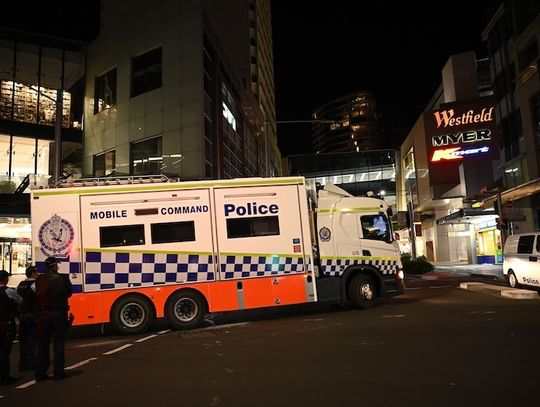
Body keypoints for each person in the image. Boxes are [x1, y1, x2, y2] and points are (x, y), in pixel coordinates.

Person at [35, 257, 72, 381]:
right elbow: (69, 293)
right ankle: (58, 372)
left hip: (44, 314)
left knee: (42, 344)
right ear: (55, 265)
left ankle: (40, 373)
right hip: (59, 312)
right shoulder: (62, 278)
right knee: (59, 343)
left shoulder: (39, 279)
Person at [0, 269, 22, 386]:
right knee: (4, 351)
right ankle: (5, 376)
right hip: (6, 324)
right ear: (6, 279)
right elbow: (20, 301)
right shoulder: (8, 291)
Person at [17, 265, 39, 371]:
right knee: (32, 340)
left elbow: (18, 300)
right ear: (33, 273)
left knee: (23, 341)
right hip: (32, 315)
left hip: (23, 315)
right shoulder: (34, 284)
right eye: (36, 272)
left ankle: (23, 363)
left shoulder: (20, 284)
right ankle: (31, 362)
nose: (38, 274)